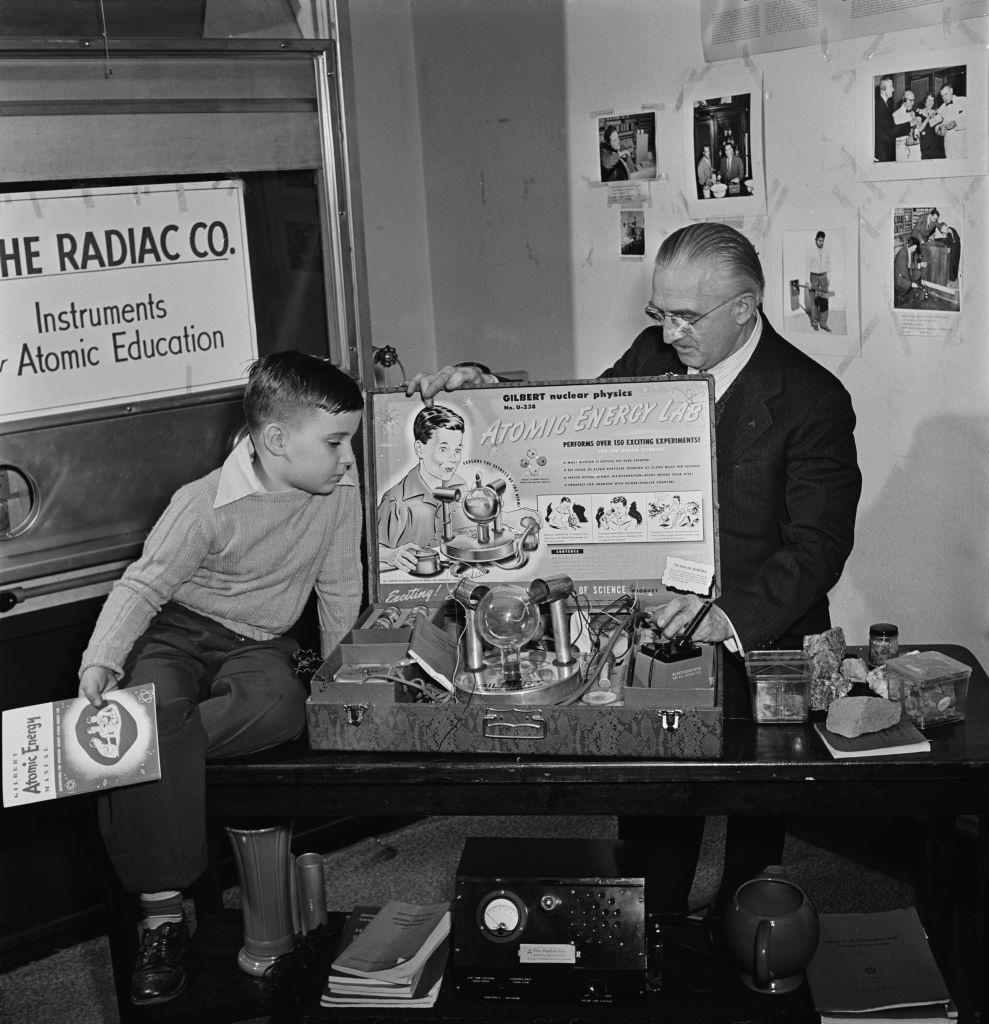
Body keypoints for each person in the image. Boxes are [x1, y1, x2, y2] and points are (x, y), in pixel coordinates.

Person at [406, 222, 862, 916]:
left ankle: (742, 928)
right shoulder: (654, 351)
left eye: (687, 316)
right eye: (660, 312)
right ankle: (647, 927)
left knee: (752, 812)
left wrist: (726, 616)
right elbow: (577, 422)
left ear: (744, 308)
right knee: (653, 793)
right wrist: (483, 393)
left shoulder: (811, 399)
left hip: (758, 629)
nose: (670, 331)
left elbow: (817, 547)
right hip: (655, 613)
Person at [77, 351, 364, 1006]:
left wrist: (339, 676)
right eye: (336, 442)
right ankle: (163, 909)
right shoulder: (202, 503)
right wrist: (99, 662)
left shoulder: (335, 496)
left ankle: (131, 759)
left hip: (257, 642)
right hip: (174, 632)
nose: (348, 458)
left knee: (280, 709)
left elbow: (340, 589)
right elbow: (143, 587)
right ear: (275, 439)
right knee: (155, 706)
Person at [376, 404, 466, 571]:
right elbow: (372, 551)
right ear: (419, 449)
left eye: (458, 450)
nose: (453, 458)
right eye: (444, 449)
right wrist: (390, 555)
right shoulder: (396, 501)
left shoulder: (459, 486)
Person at [874, 75, 912, 161]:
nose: (893, 89)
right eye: (891, 87)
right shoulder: (880, 105)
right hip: (883, 154)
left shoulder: (886, 104)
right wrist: (910, 124)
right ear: (884, 88)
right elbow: (892, 130)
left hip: (887, 151)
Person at [806, 230, 832, 332]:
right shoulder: (810, 250)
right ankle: (814, 322)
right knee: (815, 301)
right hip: (814, 277)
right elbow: (806, 266)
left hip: (824, 277)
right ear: (816, 240)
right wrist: (807, 281)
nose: (821, 242)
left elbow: (829, 264)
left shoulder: (826, 250)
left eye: (823, 241)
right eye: (820, 240)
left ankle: (824, 323)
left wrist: (828, 277)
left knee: (824, 300)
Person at [936, 83, 967, 159]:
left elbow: (973, 120)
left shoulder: (964, 101)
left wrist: (956, 123)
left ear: (951, 91)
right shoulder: (940, 109)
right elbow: (936, 127)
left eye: (946, 94)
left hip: (962, 146)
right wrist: (940, 130)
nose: (944, 98)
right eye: (942, 96)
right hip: (948, 148)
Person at [894, 235, 924, 306]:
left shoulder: (908, 250)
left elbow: (909, 265)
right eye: (914, 248)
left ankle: (909, 290)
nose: (915, 250)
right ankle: (899, 295)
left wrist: (919, 265)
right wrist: (910, 284)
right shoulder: (902, 256)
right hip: (899, 279)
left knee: (918, 273)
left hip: (906, 273)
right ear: (910, 245)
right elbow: (900, 279)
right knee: (907, 285)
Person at [916, 92, 945, 160]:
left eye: (932, 100)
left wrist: (942, 131)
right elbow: (919, 129)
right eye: (929, 100)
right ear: (925, 101)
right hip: (926, 148)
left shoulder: (936, 112)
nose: (931, 103)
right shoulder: (919, 112)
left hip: (937, 148)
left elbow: (936, 131)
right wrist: (929, 117)